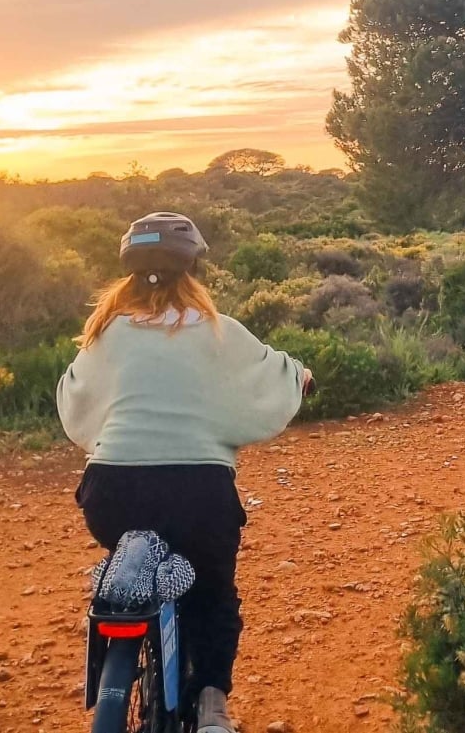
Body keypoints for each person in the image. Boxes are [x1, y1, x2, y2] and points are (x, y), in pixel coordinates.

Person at [56, 211, 311, 733]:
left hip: (112, 496)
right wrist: (301, 378)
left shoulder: (105, 334)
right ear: (193, 269)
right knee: (213, 594)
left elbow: (73, 398)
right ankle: (212, 706)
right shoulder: (219, 332)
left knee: (130, 554)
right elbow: (276, 376)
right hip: (198, 497)